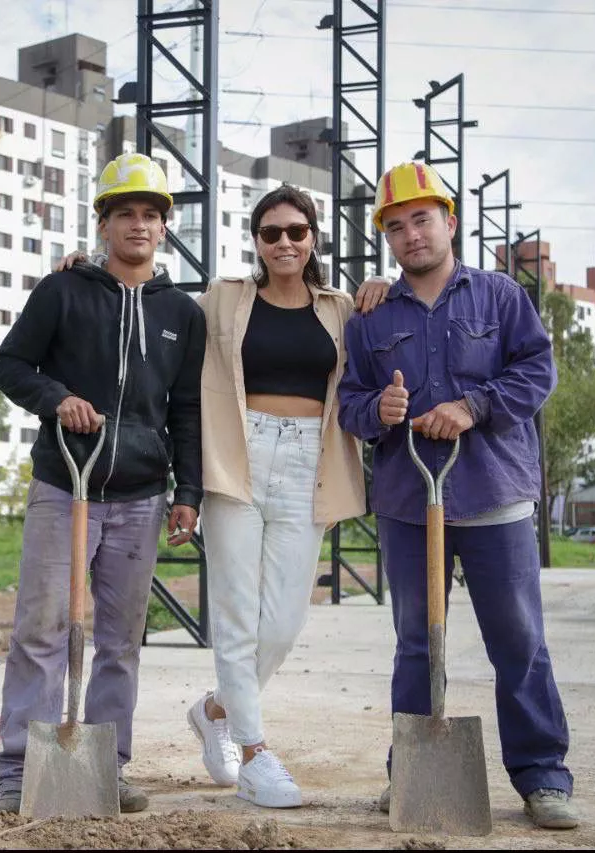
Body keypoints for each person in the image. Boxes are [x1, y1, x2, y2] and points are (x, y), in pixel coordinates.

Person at [55, 187, 388, 809]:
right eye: (271, 232)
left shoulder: (343, 309)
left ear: (313, 237)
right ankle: (255, 753)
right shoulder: (224, 299)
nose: (284, 242)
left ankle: (214, 710)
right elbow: (146, 297)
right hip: (237, 461)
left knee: (283, 624)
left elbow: (386, 332)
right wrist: (89, 269)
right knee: (236, 615)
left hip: (309, 466)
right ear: (256, 241)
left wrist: (383, 286)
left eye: (296, 231)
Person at [337, 161, 578, 830]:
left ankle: (542, 776)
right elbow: (349, 401)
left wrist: (474, 406)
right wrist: (378, 410)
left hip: (495, 494)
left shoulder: (500, 297)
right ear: (386, 238)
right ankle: (413, 773)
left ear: (450, 221)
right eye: (395, 226)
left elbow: (537, 370)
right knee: (418, 642)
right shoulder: (371, 316)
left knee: (519, 640)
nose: (411, 234)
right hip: (410, 502)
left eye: (422, 219)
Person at [0, 152, 205, 815]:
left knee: (120, 641)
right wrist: (57, 399)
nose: (138, 224)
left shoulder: (183, 313)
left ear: (164, 227)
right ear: (103, 223)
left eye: (150, 214)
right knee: (42, 629)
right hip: (65, 483)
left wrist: (188, 492)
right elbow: (9, 363)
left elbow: (187, 408)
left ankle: (106, 767)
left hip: (142, 493)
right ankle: (19, 774)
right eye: (124, 213)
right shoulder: (63, 292)